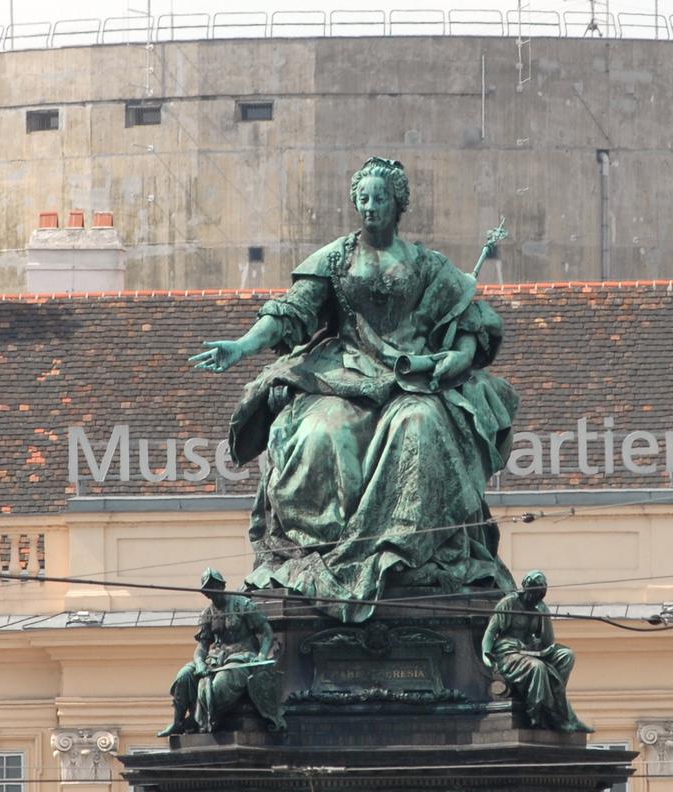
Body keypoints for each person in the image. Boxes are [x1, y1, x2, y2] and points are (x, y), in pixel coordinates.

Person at [189, 157, 518, 623]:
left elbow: (468, 319)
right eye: (363, 198)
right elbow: (291, 312)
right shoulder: (336, 259)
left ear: (397, 203)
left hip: (412, 381)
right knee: (319, 434)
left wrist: (459, 357)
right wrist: (242, 346)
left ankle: (401, 554)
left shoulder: (426, 265)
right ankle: (323, 554)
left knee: (422, 425)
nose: (370, 206)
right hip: (343, 375)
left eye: (380, 198)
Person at [157, 568, 285, 736]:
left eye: (215, 586)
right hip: (216, 659)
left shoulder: (242, 604)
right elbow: (202, 646)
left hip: (243, 657)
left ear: (222, 586)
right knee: (183, 676)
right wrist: (200, 663)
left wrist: (261, 656)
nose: (213, 591)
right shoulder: (207, 614)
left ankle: (199, 721)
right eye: (209, 589)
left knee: (219, 686)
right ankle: (178, 722)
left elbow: (267, 633)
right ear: (206, 594)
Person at [481, 570, 592, 732]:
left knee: (567, 655)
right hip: (508, 652)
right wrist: (486, 653)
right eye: (533, 592)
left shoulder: (539, 607)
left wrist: (544, 615)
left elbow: (548, 642)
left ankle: (557, 702)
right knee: (537, 667)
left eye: (540, 593)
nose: (536, 596)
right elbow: (491, 632)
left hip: (532, 649)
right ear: (525, 588)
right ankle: (539, 715)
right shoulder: (509, 603)